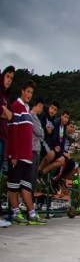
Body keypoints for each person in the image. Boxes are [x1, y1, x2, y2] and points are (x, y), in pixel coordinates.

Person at [6, 80, 46, 225]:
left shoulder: (27, 110)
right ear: (22, 91)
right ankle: (16, 212)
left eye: (31, 92)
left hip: (28, 155)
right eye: (27, 91)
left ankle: (31, 213)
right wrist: (14, 155)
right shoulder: (15, 107)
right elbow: (13, 131)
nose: (29, 94)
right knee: (13, 185)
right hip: (18, 155)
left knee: (26, 186)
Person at [0, 66, 14, 228]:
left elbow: (11, 116)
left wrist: (5, 111)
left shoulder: (5, 97)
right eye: (7, 76)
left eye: (11, 78)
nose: (9, 80)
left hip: (4, 138)